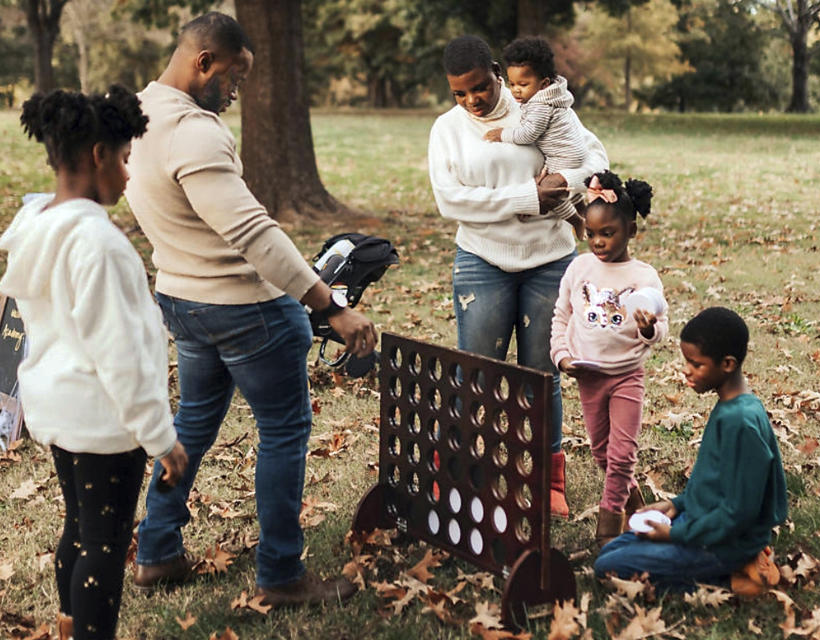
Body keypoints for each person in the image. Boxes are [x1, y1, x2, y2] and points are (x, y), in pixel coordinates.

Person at [124, 12, 376, 607]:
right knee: (285, 431)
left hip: (183, 301)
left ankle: (157, 551)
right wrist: (329, 304)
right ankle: (282, 574)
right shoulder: (195, 133)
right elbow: (254, 234)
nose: (238, 92)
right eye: (234, 76)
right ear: (203, 61)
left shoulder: (135, 115)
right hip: (245, 309)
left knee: (192, 425)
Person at [0, 86, 188, 640]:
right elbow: (122, 356)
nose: (129, 175)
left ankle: (65, 626)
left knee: (79, 529)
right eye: (127, 159)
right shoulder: (99, 245)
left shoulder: (36, 222)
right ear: (100, 155)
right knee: (103, 548)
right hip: (104, 420)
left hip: (58, 408)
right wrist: (161, 438)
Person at [429, 35, 608, 517]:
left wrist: (564, 184)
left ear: (496, 72)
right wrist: (527, 199)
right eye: (459, 94)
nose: (472, 101)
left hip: (550, 260)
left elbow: (595, 157)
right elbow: (451, 200)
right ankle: (458, 471)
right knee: (477, 371)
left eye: (480, 88)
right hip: (482, 260)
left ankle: (548, 476)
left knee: (541, 374)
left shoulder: (540, 104)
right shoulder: (447, 130)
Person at [593, 307, 787, 596]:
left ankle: (736, 579)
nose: (686, 370)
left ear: (728, 364)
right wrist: (676, 506)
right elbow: (715, 484)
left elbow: (739, 512)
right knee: (617, 546)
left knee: (608, 567)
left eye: (696, 364)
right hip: (701, 524)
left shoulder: (742, 423)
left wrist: (674, 534)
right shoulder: (731, 406)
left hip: (724, 544)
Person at [550, 170, 667, 546]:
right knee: (601, 452)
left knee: (620, 456)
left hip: (626, 376)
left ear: (631, 230)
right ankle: (638, 508)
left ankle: (608, 529)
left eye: (608, 233)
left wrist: (649, 328)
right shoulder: (579, 268)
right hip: (589, 376)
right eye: (591, 234)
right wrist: (561, 356)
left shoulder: (643, 276)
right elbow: (562, 316)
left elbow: (659, 328)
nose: (598, 242)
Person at [482, 36, 586, 238]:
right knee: (564, 187)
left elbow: (527, 134)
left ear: (544, 83)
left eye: (523, 84)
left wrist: (502, 134)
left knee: (549, 191)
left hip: (563, 155)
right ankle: (582, 208)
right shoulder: (553, 96)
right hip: (572, 151)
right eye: (512, 84)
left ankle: (576, 221)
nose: (516, 90)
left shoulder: (540, 105)